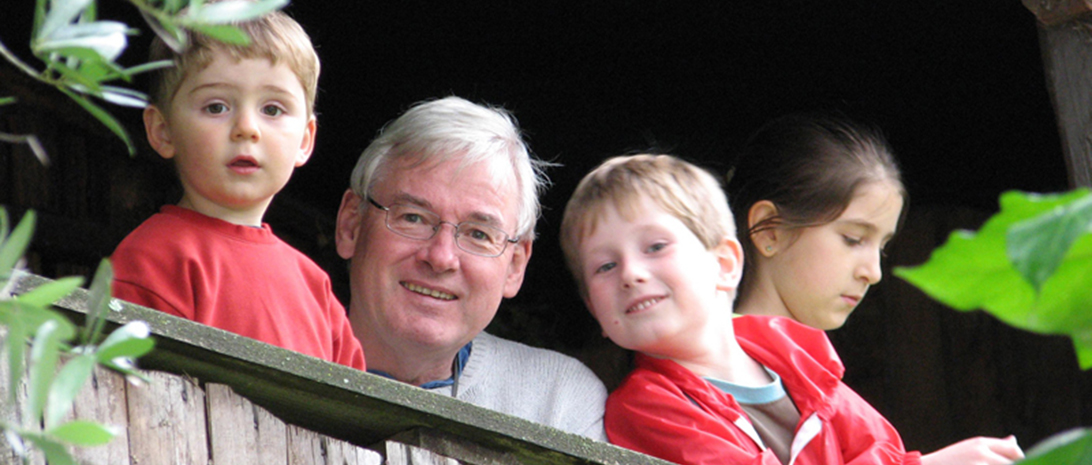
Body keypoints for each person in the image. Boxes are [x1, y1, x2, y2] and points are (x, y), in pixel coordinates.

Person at [561, 153, 978, 464]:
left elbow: (885, 448)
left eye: (655, 247)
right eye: (605, 266)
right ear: (593, 309)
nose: (630, 273)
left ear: (724, 264)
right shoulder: (644, 407)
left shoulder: (802, 363)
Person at [725, 114, 1024, 464]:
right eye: (853, 239)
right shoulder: (711, 366)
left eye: (881, 247)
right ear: (768, 231)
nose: (874, 272)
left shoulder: (819, 379)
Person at [333, 96, 608, 440]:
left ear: (515, 266)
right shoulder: (273, 344)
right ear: (351, 226)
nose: (441, 257)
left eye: (479, 234)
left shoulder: (558, 402)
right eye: (413, 218)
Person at [111, 8, 365, 370]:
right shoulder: (152, 259)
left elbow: (355, 414)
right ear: (162, 130)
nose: (247, 128)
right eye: (216, 107)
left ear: (305, 140)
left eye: (273, 109)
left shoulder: (315, 286)